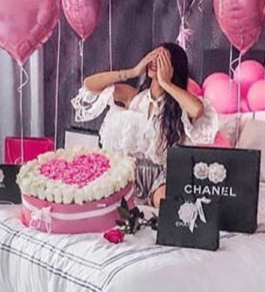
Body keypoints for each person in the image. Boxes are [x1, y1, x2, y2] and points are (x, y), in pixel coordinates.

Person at [71, 43, 218, 206]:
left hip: (163, 177)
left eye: (162, 58)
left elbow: (197, 110)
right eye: (153, 56)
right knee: (102, 196)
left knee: (165, 200)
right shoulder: (133, 96)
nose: (154, 61)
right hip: (129, 174)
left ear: (173, 67)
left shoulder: (180, 104)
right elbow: (90, 85)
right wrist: (133, 71)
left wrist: (166, 83)